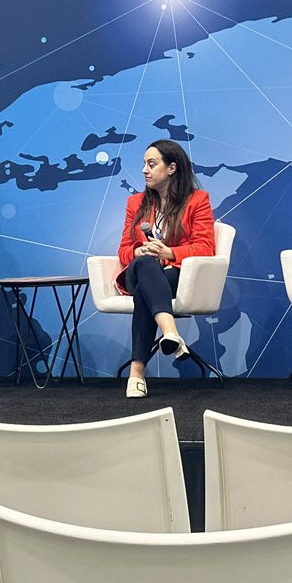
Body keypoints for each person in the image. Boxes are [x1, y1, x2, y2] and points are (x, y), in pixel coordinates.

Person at [116, 140, 215, 399]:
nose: (144, 170)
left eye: (152, 164)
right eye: (144, 164)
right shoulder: (136, 203)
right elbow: (123, 250)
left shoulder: (197, 200)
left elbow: (206, 247)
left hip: (173, 275)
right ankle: (170, 332)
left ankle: (136, 375)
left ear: (171, 168)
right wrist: (138, 252)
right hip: (138, 272)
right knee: (146, 263)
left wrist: (169, 253)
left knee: (145, 294)